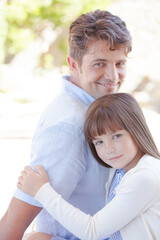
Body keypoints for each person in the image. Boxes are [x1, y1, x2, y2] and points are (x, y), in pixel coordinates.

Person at [0, 10, 132, 240]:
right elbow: (15, 220)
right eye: (99, 63)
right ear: (73, 64)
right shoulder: (69, 125)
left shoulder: (100, 110)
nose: (113, 76)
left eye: (119, 63)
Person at [18, 93, 160, 240]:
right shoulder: (122, 170)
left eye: (116, 136)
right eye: (99, 142)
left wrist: (41, 190)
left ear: (136, 129)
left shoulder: (145, 176)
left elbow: (92, 231)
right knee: (38, 238)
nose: (109, 149)